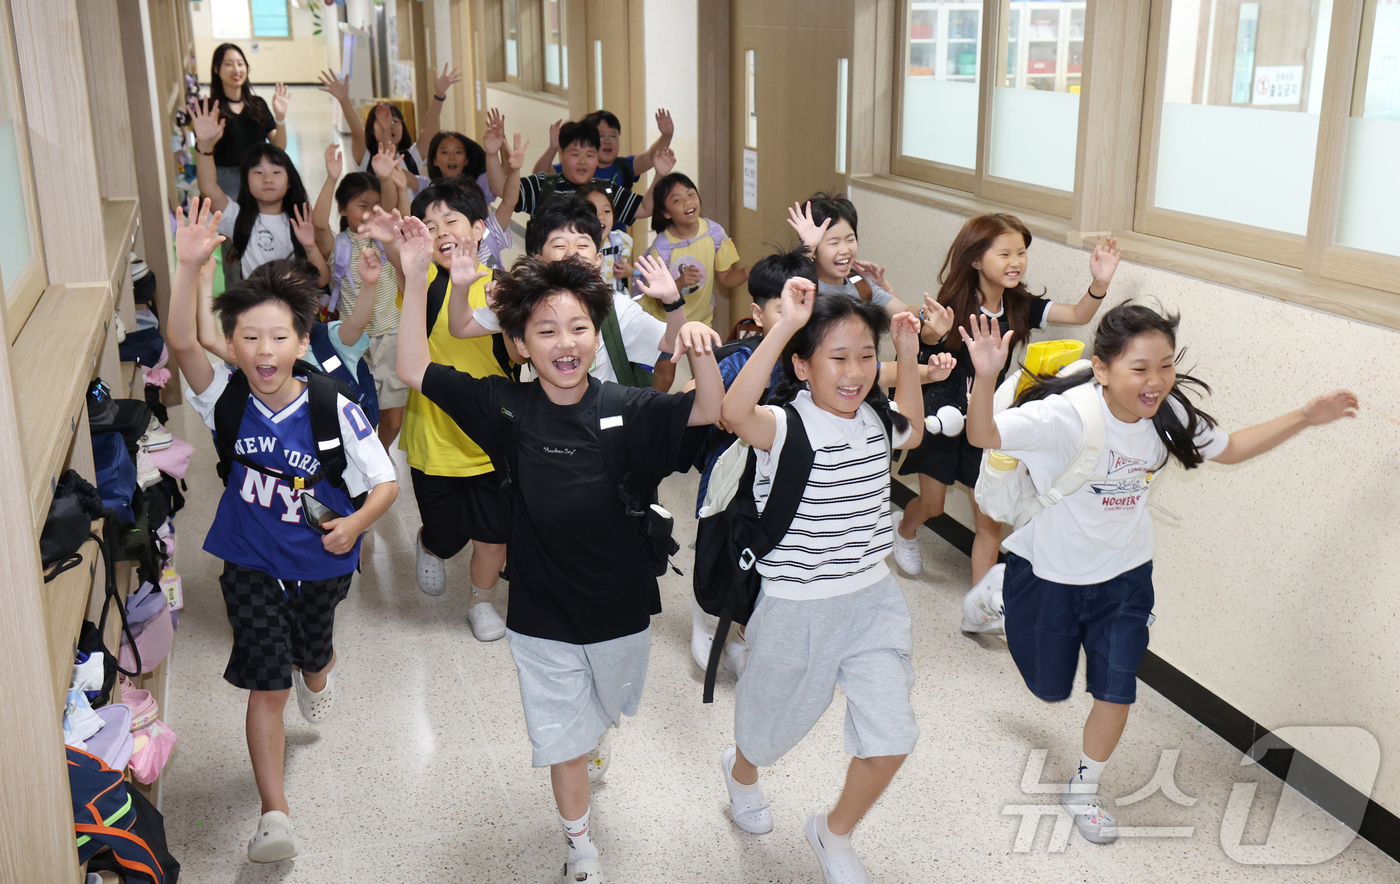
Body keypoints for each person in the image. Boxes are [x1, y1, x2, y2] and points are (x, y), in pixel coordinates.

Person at [959, 302, 1357, 845]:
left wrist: (1305, 416)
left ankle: (1084, 788)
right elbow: (983, 434)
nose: (1157, 381)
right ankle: (1003, 590)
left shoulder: (1169, 416)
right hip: (1049, 572)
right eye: (1141, 368)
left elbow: (1232, 448)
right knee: (1047, 687)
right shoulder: (1063, 417)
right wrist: (985, 377)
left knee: (1116, 691)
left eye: (1166, 365)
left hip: (1124, 577)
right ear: (1103, 369)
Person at [396, 232, 723, 884]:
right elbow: (413, 369)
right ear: (519, 344)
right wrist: (412, 277)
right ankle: (579, 846)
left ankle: (593, 733)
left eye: (578, 327)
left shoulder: (625, 407)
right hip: (540, 608)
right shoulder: (505, 407)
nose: (565, 342)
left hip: (619, 605)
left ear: (596, 335)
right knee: (561, 738)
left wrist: (692, 336)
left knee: (602, 712)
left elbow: (709, 409)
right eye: (545, 331)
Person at [167, 199, 398, 864]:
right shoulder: (226, 397)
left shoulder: (334, 408)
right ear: (232, 344)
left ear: (302, 343)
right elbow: (181, 343)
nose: (263, 351)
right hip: (248, 559)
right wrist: (189, 268)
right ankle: (275, 815)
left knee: (313, 656)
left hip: (321, 563)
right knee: (267, 682)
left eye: (277, 338)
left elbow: (384, 483)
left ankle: (317, 673)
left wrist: (355, 523)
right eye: (249, 338)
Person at [717, 279, 926, 883]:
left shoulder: (875, 420)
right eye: (838, 357)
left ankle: (833, 833)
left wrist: (907, 355)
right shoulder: (787, 426)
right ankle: (741, 773)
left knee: (892, 735)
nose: (855, 372)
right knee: (767, 727)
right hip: (796, 608)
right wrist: (783, 325)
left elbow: (911, 427)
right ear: (803, 366)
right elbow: (733, 413)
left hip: (873, 602)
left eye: (866, 356)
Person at [891, 214, 1121, 591]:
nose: (1016, 262)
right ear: (976, 260)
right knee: (932, 505)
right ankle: (904, 529)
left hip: (984, 418)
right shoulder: (953, 305)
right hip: (941, 415)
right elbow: (927, 340)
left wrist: (1100, 281)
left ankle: (979, 607)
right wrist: (934, 332)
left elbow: (1078, 314)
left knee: (989, 519)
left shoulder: (1019, 304)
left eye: (1021, 253)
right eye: (1004, 254)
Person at [357, 181, 516, 641]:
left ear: (479, 229)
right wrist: (392, 242)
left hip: (491, 437)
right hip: (434, 436)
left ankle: (480, 601)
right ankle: (430, 544)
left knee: (493, 533)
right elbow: (404, 266)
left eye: (451, 220)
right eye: (429, 225)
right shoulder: (424, 282)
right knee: (448, 532)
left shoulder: (502, 287)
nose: (441, 231)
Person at [450, 196, 686, 392]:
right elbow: (460, 327)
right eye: (560, 245)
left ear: (598, 259)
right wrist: (460, 288)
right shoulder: (527, 299)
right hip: (545, 423)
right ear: (540, 259)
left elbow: (671, 342)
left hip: (603, 424)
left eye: (582, 245)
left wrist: (672, 301)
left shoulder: (616, 307)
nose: (572, 253)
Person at [311, 144, 405, 449]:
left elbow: (391, 211)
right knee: (359, 413)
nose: (369, 212)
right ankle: (363, 457)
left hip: (393, 337)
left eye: (375, 205)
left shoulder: (386, 239)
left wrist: (386, 179)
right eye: (361, 205)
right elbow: (318, 224)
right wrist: (331, 178)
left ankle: (381, 453)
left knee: (393, 419)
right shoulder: (338, 245)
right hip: (353, 343)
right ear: (342, 209)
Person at [191, 101, 328, 287]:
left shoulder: (301, 222)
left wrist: (310, 246)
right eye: (258, 172)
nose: (267, 179)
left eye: (276, 172)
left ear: (290, 182)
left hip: (293, 304)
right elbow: (208, 188)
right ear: (246, 182)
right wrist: (205, 146)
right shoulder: (237, 218)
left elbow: (321, 280)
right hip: (254, 303)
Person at [317, 63, 463, 188]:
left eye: (395, 121)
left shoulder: (411, 157)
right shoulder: (366, 158)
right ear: (371, 130)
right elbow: (357, 133)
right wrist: (344, 100)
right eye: (382, 121)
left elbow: (428, 129)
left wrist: (439, 95)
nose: (389, 125)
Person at [645, 171, 749, 328]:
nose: (688, 202)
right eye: (677, 200)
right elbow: (659, 302)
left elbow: (726, 278)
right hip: (665, 326)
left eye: (691, 194)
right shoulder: (661, 249)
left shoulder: (714, 233)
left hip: (702, 324)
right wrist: (679, 283)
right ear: (666, 212)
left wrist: (746, 272)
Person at [786, 195, 916, 319]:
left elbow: (905, 312)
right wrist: (807, 249)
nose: (845, 250)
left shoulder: (860, 285)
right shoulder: (801, 290)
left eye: (850, 240)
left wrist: (923, 313)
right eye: (834, 243)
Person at [513, 121, 658, 225]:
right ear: (561, 155)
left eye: (589, 155)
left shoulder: (605, 190)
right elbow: (506, 193)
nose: (582, 161)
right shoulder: (543, 185)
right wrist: (508, 165)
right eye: (575, 154)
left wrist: (660, 174)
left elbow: (644, 208)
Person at [204, 43, 288, 199]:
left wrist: (280, 118)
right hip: (224, 182)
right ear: (216, 69)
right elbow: (201, 154)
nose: (236, 70)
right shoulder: (210, 108)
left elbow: (279, 147)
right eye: (228, 64)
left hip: (259, 178)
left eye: (240, 64)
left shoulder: (258, 104)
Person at [532, 108, 675, 190]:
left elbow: (651, 157)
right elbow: (539, 176)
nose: (608, 141)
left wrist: (666, 136)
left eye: (613, 136)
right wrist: (553, 148)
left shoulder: (624, 167)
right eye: (601, 136)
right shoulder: (572, 168)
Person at [574, 181, 634, 296]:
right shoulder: (572, 246)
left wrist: (628, 271)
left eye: (607, 211)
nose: (600, 217)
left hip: (613, 300)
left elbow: (627, 268)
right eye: (593, 211)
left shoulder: (618, 241)